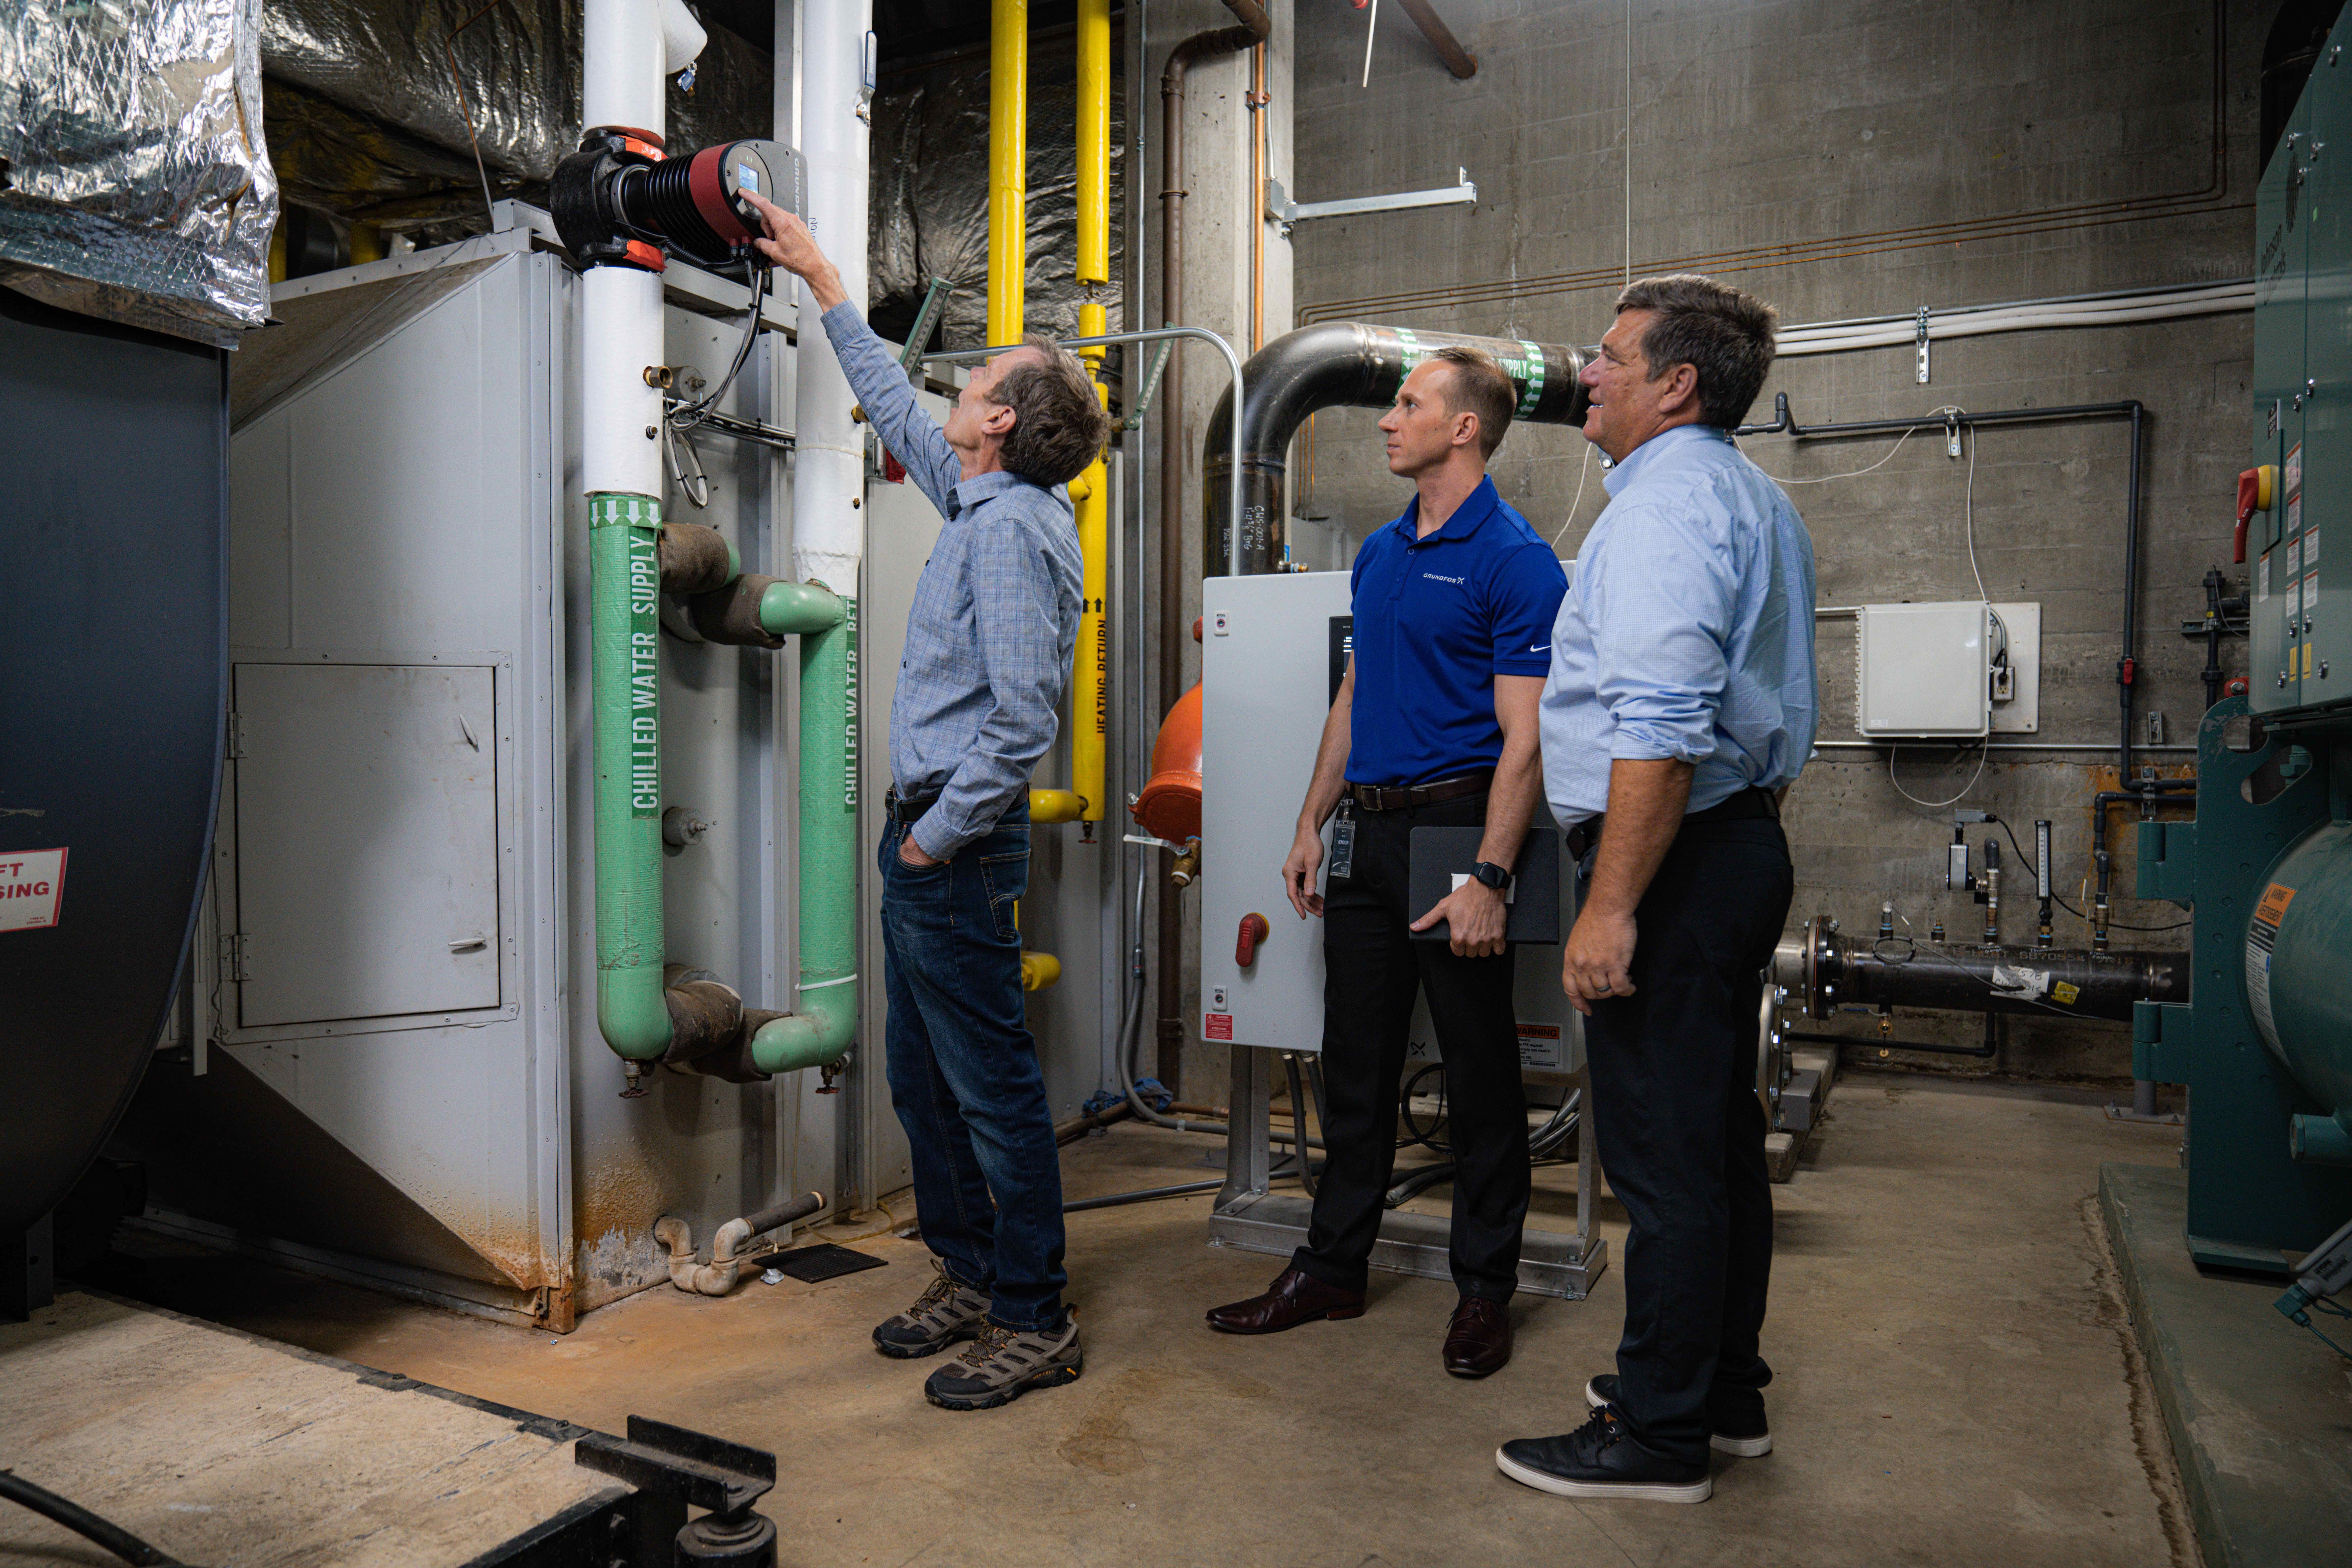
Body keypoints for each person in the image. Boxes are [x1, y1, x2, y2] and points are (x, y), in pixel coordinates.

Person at [746, 192, 1109, 1412]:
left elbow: (1023, 718)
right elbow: (898, 409)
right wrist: (825, 284)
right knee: (925, 1079)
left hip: (953, 840)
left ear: (1000, 421)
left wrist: (933, 843)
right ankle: (971, 1270)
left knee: (991, 1087)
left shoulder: (1009, 535)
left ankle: (1033, 1315)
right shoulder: (986, 499)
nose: (960, 382)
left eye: (982, 377)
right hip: (933, 836)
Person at [1494, 274, 1816, 1502]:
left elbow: (1664, 730)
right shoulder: (1750, 496)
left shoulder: (1664, 510)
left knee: (1665, 1161)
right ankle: (1720, 1392)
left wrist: (1612, 905)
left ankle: (1658, 1435)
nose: (1586, 372)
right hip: (1732, 843)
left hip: (1674, 858)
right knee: (1716, 1140)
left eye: (1610, 356)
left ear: (1676, 384)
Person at [1204, 346, 1568, 1379]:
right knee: (1353, 1064)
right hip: (1368, 829)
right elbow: (1355, 698)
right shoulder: (1379, 553)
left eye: (1409, 404)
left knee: (1480, 1074)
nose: (1386, 419)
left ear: (1465, 428)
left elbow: (1527, 739)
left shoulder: (1517, 562)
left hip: (1459, 828)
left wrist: (1491, 877)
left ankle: (1484, 1291)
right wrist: (1309, 822)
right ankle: (1333, 1269)